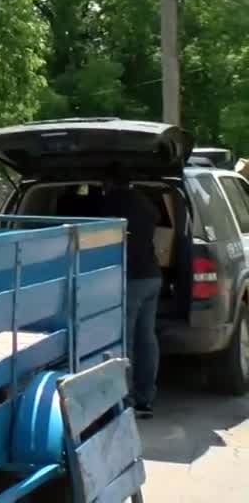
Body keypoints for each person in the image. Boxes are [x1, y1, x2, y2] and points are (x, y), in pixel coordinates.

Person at [100, 171, 161, 419]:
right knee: (146, 338)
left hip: (131, 278)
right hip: (152, 276)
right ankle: (145, 398)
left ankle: (127, 399)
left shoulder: (110, 204)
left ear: (109, 183)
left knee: (125, 341)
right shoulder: (146, 203)